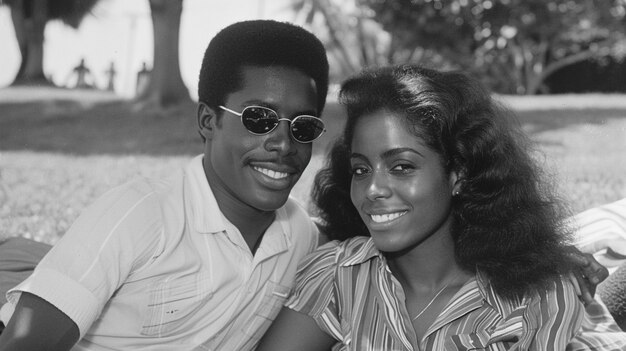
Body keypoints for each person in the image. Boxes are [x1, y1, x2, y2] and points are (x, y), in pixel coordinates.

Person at [0, 19, 329, 350]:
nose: (284, 144)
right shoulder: (139, 216)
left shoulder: (301, 237)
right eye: (259, 119)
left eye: (303, 127)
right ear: (208, 121)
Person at [257, 65, 626, 350]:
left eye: (402, 166)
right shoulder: (337, 273)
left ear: (458, 173)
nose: (372, 189)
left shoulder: (536, 296)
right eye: (360, 169)